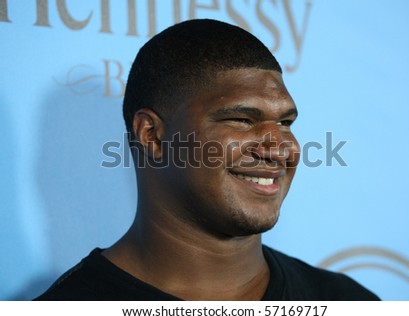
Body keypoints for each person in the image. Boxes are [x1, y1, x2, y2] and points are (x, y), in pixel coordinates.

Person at [36, 19, 379, 300]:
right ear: (152, 135)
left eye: (285, 123)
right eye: (242, 120)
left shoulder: (347, 301)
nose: (279, 149)